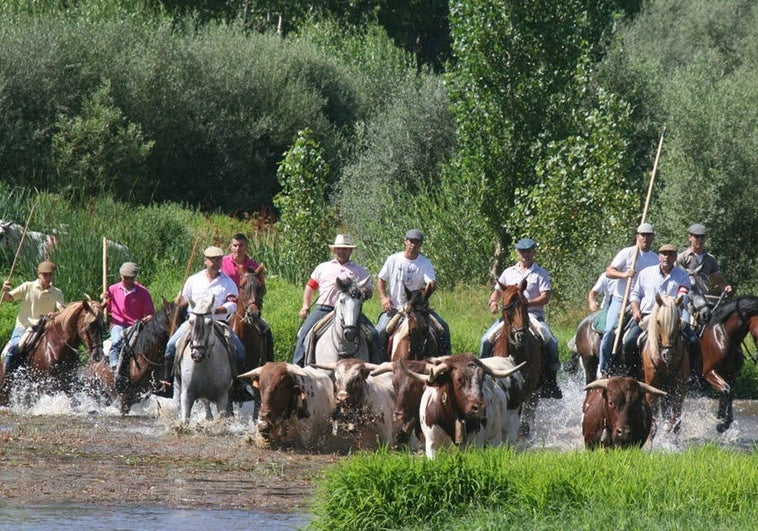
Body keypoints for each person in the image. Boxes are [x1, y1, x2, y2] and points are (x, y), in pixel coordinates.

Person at [479, 238, 562, 399]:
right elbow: (497, 291)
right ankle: (482, 376)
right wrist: (493, 301)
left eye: (528, 251)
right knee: (485, 340)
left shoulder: (540, 273)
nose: (525, 254)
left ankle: (550, 383)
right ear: (518, 253)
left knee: (551, 342)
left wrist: (525, 304)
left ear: (534, 252)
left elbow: (546, 297)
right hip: (509, 317)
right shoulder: (509, 272)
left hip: (532, 314)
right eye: (522, 251)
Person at [162, 246, 244, 387]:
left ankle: (237, 385)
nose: (217, 262)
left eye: (219, 260)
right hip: (193, 322)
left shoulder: (228, 282)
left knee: (240, 350)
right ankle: (168, 382)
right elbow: (184, 299)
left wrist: (215, 311)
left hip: (217, 323)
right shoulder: (193, 279)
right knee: (170, 346)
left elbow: (232, 305)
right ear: (205, 261)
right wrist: (179, 300)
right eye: (213, 260)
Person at [293, 234, 380, 366]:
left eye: (345, 249)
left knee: (373, 334)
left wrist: (365, 292)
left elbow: (370, 290)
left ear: (351, 251)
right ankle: (298, 367)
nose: (341, 251)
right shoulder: (322, 268)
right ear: (334, 250)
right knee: (305, 332)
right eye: (339, 248)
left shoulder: (360, 271)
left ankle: (375, 368)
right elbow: (310, 287)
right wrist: (305, 305)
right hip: (325, 307)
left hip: (351, 310)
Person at [376, 229, 451, 358]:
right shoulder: (393, 259)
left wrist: (430, 286)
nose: (413, 244)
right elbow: (381, 279)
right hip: (396, 307)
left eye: (417, 242)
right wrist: (384, 298)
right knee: (380, 330)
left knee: (443, 328)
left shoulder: (425, 262)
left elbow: (431, 282)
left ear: (420, 244)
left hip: (419, 309)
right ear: (405, 241)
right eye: (411, 241)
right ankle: (377, 362)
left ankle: (445, 362)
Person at [598, 223, 659, 377]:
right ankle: (604, 368)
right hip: (621, 300)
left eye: (648, 235)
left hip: (642, 303)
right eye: (642, 235)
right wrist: (625, 275)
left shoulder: (655, 258)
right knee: (610, 331)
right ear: (637, 236)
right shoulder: (627, 253)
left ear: (652, 237)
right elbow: (609, 272)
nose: (645, 238)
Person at [623, 244, 696, 364]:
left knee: (694, 342)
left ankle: (695, 377)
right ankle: (629, 373)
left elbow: (682, 296)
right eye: (664, 254)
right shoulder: (645, 274)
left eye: (670, 255)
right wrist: (635, 310)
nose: (667, 257)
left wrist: (678, 302)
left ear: (675, 257)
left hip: (673, 319)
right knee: (629, 341)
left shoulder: (683, 276)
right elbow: (635, 295)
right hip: (647, 316)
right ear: (659, 257)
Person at [1, 261, 65, 377]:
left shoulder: (57, 292)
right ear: (38, 274)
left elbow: (61, 309)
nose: (48, 277)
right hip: (24, 326)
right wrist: (4, 290)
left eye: (50, 274)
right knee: (16, 347)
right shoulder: (28, 286)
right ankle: (6, 375)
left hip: (45, 327)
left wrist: (55, 314)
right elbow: (8, 298)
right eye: (45, 274)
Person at [221, 232, 273, 351]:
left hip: (247, 305)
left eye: (241, 245)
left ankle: (267, 360)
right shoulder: (223, 262)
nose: (237, 249)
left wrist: (254, 300)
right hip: (225, 304)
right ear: (231, 246)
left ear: (246, 247)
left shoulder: (254, 266)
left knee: (266, 330)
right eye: (235, 245)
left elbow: (262, 288)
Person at [101, 262, 155, 371]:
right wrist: (103, 298)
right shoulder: (113, 289)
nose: (128, 281)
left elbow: (150, 314)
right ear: (121, 276)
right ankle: (114, 365)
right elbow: (105, 304)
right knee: (117, 341)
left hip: (135, 325)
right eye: (125, 278)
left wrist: (145, 320)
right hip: (118, 324)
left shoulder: (143, 292)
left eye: (131, 278)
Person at [676, 223, 732, 298]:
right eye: (696, 236)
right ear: (689, 237)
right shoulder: (682, 258)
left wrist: (726, 287)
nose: (700, 240)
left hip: (706, 299)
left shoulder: (710, 259)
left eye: (702, 237)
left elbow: (719, 280)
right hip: (687, 299)